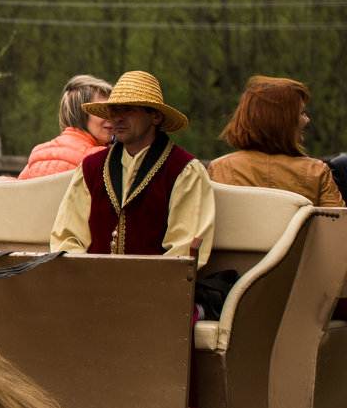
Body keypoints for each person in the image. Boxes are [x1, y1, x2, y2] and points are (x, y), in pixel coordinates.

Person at [50, 70, 215, 269]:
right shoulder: (90, 168)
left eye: (128, 109)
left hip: (157, 294)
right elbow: (67, 239)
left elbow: (183, 253)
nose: (117, 118)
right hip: (92, 290)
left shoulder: (184, 171)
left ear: (155, 116)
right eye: (114, 110)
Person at [207, 77, 345, 207]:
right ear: (283, 122)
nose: (307, 120)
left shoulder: (220, 169)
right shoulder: (316, 172)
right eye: (302, 113)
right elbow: (336, 226)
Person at [18, 75, 114, 180]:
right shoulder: (103, 158)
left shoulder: (38, 154)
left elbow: (16, 188)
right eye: (101, 111)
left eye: (113, 110)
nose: (111, 117)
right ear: (80, 114)